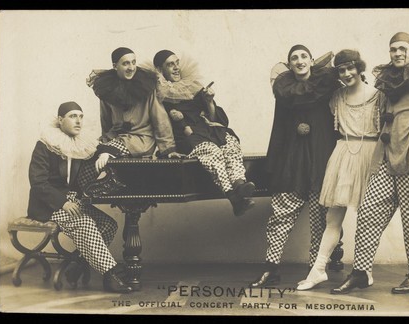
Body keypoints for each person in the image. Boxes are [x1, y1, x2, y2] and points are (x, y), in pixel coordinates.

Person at [331, 32, 409, 295]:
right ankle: (360, 272)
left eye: (403, 49)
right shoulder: (389, 82)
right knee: (368, 211)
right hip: (387, 157)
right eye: (393, 49)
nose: (397, 53)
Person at [249, 45, 341, 287]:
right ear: (289, 64)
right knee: (281, 215)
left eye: (303, 56)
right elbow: (278, 127)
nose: (299, 61)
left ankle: (316, 268)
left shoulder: (327, 85)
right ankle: (271, 268)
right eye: (294, 58)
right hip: (294, 158)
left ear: (311, 60)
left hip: (321, 155)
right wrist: (274, 164)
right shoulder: (284, 90)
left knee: (319, 218)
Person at [297, 49, 386, 290]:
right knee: (332, 218)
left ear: (360, 68)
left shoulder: (378, 96)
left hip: (370, 156)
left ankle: (364, 270)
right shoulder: (335, 97)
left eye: (350, 68)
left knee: (369, 218)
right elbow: (308, 103)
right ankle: (318, 270)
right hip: (343, 156)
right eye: (342, 70)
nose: (347, 73)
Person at [27, 101, 132, 293]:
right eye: (72, 116)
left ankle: (77, 266)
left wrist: (105, 154)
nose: (78, 121)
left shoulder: (81, 145)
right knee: (85, 223)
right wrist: (62, 203)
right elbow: (38, 183)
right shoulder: (45, 145)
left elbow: (112, 147)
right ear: (60, 120)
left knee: (109, 225)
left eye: (81, 116)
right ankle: (110, 274)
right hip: (49, 205)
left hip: (73, 202)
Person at [152, 50, 256, 217]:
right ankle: (233, 196)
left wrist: (209, 103)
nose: (176, 68)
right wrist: (168, 150)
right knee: (212, 151)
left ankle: (239, 184)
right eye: (170, 65)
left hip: (208, 130)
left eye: (177, 63)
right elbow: (159, 124)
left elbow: (219, 120)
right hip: (186, 136)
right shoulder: (157, 93)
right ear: (159, 69)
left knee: (230, 144)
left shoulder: (192, 86)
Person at [83, 47, 181, 197]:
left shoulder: (146, 86)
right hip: (116, 139)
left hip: (141, 139)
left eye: (134, 62)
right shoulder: (106, 88)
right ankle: (78, 195)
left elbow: (160, 119)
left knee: (105, 153)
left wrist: (168, 149)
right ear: (115, 66)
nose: (131, 68)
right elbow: (106, 121)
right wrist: (104, 143)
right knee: (88, 160)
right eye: (126, 64)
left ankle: (108, 152)